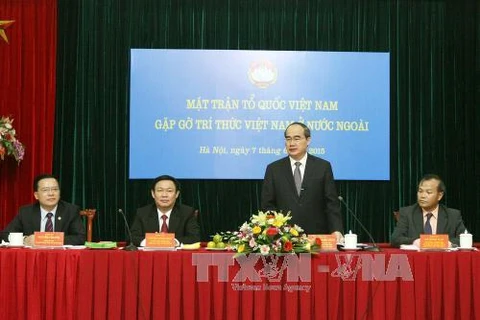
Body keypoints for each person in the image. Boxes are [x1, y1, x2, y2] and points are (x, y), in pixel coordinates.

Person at [261, 122, 343, 241]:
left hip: (317, 238)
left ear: (308, 140)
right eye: (288, 139)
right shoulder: (274, 169)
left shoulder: (323, 167)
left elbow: (331, 204)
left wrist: (336, 230)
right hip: (284, 239)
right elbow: (267, 205)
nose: (292, 143)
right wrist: (275, 231)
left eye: (297, 138)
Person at [1, 174, 86, 245]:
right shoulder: (26, 212)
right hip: (34, 258)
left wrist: (47, 240)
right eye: (45, 190)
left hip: (61, 258)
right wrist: (25, 240)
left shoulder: (70, 210)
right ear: (36, 195)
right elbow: (5, 235)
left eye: (55, 189)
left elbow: (80, 238)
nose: (51, 193)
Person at [391, 174, 466, 248]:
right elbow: (395, 239)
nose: (422, 196)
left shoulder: (453, 215)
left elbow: (465, 239)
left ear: (440, 195)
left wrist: (447, 243)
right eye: (420, 191)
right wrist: (414, 241)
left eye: (428, 192)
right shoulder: (407, 213)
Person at [130, 175, 201, 246]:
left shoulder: (187, 212)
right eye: (160, 190)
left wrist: (173, 241)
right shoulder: (142, 213)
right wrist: (150, 241)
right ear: (153, 193)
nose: (164, 195)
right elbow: (131, 237)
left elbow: (195, 237)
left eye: (169, 191)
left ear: (177, 194)